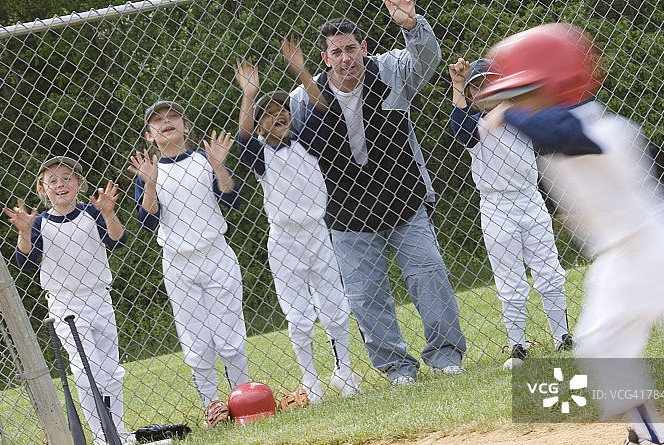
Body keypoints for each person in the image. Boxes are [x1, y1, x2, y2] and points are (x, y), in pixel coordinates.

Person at [478, 23, 664, 445]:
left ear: (557, 84)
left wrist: (510, 114)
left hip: (662, 253)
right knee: (601, 344)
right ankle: (653, 444)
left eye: (526, 92)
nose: (516, 103)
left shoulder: (598, 127)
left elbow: (565, 133)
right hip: (620, 261)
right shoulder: (557, 128)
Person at [288, 0, 466, 385]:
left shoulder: (390, 70)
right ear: (325, 58)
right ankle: (397, 369)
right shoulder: (302, 99)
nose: (346, 58)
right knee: (366, 297)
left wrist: (413, 25)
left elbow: (426, 59)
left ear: (364, 48)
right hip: (347, 214)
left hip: (403, 198)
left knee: (429, 275)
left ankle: (446, 356)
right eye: (336, 52)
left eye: (351, 48)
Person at [235, 38, 361, 403]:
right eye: (268, 113)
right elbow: (243, 137)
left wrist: (301, 72)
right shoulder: (260, 155)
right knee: (299, 315)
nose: (278, 115)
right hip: (285, 239)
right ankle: (312, 382)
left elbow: (323, 111)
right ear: (260, 125)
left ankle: (344, 371)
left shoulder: (306, 140)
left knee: (335, 306)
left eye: (282, 109)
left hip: (317, 233)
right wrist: (249, 95)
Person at [448, 57, 573, 369]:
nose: (485, 91)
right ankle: (517, 344)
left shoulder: (522, 120)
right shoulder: (475, 127)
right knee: (510, 280)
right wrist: (459, 85)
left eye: (490, 84)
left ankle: (563, 337)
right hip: (495, 206)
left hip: (531, 200)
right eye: (478, 87)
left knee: (549, 271)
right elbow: (459, 128)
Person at [128, 101, 250, 414]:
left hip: (216, 254)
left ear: (186, 127)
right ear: (149, 135)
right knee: (197, 344)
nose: (166, 122)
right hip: (178, 263)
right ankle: (213, 408)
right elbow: (147, 221)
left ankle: (242, 402)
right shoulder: (150, 172)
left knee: (230, 339)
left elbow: (232, 199)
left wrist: (219, 165)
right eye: (157, 121)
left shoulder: (204, 160)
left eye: (173, 117)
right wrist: (150, 182)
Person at [3, 156, 132, 445]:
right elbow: (25, 260)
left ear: (79, 184)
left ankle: (118, 433)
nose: (61, 184)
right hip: (66, 304)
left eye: (68, 177)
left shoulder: (91, 213)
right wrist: (24, 232)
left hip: (100, 296)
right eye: (53, 181)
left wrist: (109, 213)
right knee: (87, 369)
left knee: (111, 369)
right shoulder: (40, 223)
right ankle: (102, 437)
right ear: (43, 189)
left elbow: (117, 240)